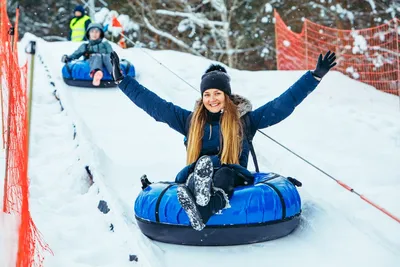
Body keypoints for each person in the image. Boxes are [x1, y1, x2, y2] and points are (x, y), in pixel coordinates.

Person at [109, 51, 337, 231]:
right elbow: (154, 105)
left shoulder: (243, 121)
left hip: (233, 176)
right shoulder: (190, 121)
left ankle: (204, 208)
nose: (212, 99)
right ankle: (198, 195)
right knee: (198, 170)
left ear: (227, 96)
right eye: (207, 94)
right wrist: (122, 81)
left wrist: (313, 76)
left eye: (217, 93)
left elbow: (282, 105)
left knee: (223, 170)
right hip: (194, 172)